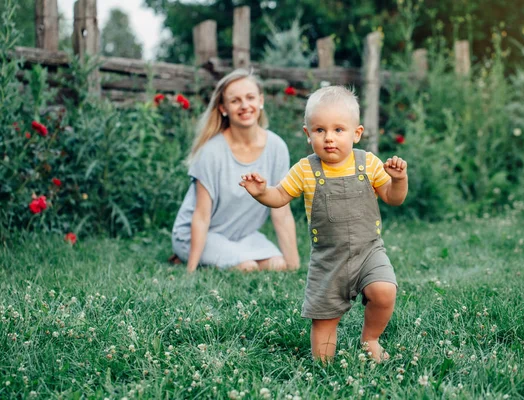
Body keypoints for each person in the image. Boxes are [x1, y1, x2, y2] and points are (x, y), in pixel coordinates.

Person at [239, 86, 408, 362]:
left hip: (369, 252)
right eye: (320, 130)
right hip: (328, 260)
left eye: (339, 130)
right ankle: (324, 367)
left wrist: (399, 180)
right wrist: (261, 192)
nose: (329, 138)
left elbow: (393, 197)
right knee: (323, 328)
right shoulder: (306, 169)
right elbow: (280, 196)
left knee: (384, 290)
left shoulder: (368, 163)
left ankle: (371, 339)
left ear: (357, 133)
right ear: (308, 134)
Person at [171, 69, 300, 273]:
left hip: (242, 236)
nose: (244, 105)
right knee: (247, 266)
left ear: (261, 101)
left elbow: (281, 211)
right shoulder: (210, 152)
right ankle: (185, 255)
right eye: (235, 101)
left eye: (250, 97)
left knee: (279, 265)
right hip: (197, 235)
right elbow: (201, 216)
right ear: (223, 108)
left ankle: (234, 255)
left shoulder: (277, 147)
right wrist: (191, 270)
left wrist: (295, 268)